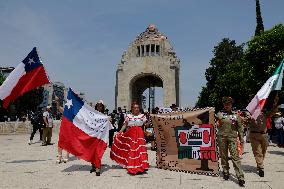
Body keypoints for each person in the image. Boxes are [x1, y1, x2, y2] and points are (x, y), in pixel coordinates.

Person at [110, 102, 149, 175]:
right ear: (132, 109)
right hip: (131, 134)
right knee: (132, 149)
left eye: (137, 107)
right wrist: (119, 133)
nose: (136, 109)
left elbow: (146, 124)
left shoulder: (142, 116)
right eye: (135, 108)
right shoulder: (128, 116)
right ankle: (131, 164)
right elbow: (125, 125)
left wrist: (148, 122)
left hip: (139, 134)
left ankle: (142, 165)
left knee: (140, 149)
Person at [216, 97, 245, 187]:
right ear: (223, 105)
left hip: (232, 138)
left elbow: (240, 128)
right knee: (224, 156)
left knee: (235, 157)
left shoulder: (236, 115)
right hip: (221, 138)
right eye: (225, 104)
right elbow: (212, 123)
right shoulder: (219, 114)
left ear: (231, 105)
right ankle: (225, 172)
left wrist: (241, 139)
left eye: (228, 104)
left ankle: (240, 177)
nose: (227, 105)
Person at [249, 96, 278, 177]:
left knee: (263, 152)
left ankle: (259, 164)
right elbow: (245, 119)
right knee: (258, 152)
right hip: (254, 135)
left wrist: (275, 104)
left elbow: (273, 112)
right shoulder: (251, 113)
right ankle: (261, 168)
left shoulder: (265, 114)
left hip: (264, 135)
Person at [90, 100, 106, 176]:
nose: (99, 107)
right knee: (92, 152)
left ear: (102, 107)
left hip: (101, 137)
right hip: (93, 136)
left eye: (100, 106)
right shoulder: (92, 114)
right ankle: (93, 165)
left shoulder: (104, 116)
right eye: (98, 106)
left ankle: (98, 168)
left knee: (98, 152)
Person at [55, 97, 70, 164]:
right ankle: (60, 156)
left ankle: (67, 155)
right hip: (63, 129)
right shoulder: (65, 112)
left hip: (70, 130)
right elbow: (58, 108)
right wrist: (57, 101)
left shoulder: (74, 114)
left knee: (68, 143)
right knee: (60, 142)